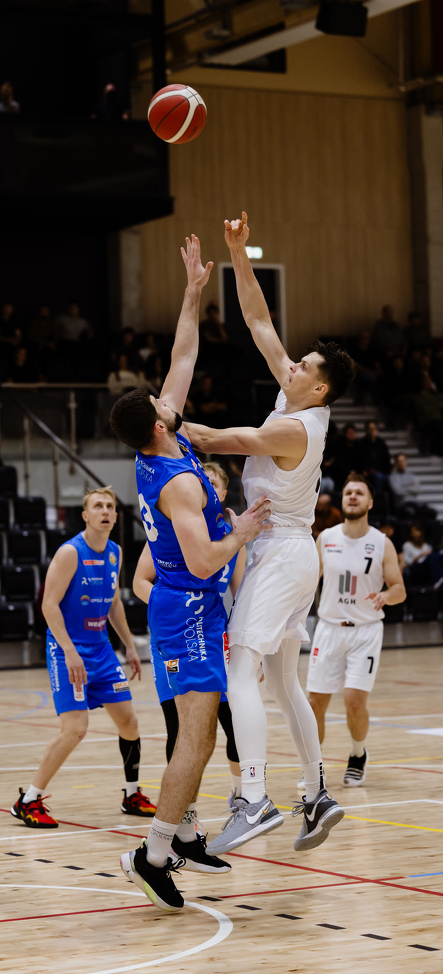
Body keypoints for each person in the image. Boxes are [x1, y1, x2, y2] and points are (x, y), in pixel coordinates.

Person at [185, 212, 356, 860]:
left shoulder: (292, 427)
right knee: (284, 683)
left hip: (281, 554)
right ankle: (317, 791)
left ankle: (253, 797)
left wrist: (167, 423)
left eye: (302, 364)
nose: (290, 362)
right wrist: (238, 255)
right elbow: (258, 321)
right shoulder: (299, 398)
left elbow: (224, 439)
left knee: (242, 668)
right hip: (289, 552)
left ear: (318, 385)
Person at [110, 233, 271, 912]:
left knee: (200, 736)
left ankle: (177, 837)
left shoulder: (164, 435)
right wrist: (243, 529)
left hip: (194, 607)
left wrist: (192, 290)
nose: (164, 397)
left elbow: (182, 355)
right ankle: (151, 855)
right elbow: (205, 559)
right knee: (197, 735)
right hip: (185, 607)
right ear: (154, 426)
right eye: (156, 402)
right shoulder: (175, 481)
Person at [11, 487, 156, 829]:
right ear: (85, 515)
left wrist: (129, 646)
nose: (105, 511)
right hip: (68, 649)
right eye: (98, 506)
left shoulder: (116, 551)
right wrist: (70, 651)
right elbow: (48, 605)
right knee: (76, 729)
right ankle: (28, 800)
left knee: (129, 722)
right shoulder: (70, 552)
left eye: (110, 506)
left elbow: (114, 603)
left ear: (116, 516)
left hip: (101, 649)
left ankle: (131, 794)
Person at [133, 462, 244, 781]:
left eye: (211, 484)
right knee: (179, 727)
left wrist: (247, 647)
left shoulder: (234, 540)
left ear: (222, 494)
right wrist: (176, 609)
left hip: (212, 638)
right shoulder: (170, 529)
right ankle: (186, 809)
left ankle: (241, 795)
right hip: (174, 635)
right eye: (200, 482)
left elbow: (240, 598)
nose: (202, 488)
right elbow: (140, 582)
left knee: (235, 724)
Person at [305, 475, 405, 788]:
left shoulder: (382, 543)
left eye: (359, 493)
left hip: (365, 631)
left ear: (370, 502)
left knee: (354, 702)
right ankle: (314, 768)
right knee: (314, 704)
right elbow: (308, 583)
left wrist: (386, 596)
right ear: (342, 499)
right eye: (348, 492)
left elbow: (399, 589)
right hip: (329, 628)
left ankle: (358, 754)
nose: (352, 496)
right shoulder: (326, 538)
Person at [356, 421, 391, 493]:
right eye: (370, 429)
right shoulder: (362, 443)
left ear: (377, 430)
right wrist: (368, 469)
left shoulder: (381, 442)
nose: (372, 431)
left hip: (382, 470)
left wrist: (389, 469)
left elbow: (386, 458)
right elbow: (361, 460)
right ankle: (378, 497)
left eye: (374, 428)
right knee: (378, 477)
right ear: (366, 431)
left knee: (393, 478)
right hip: (369, 472)